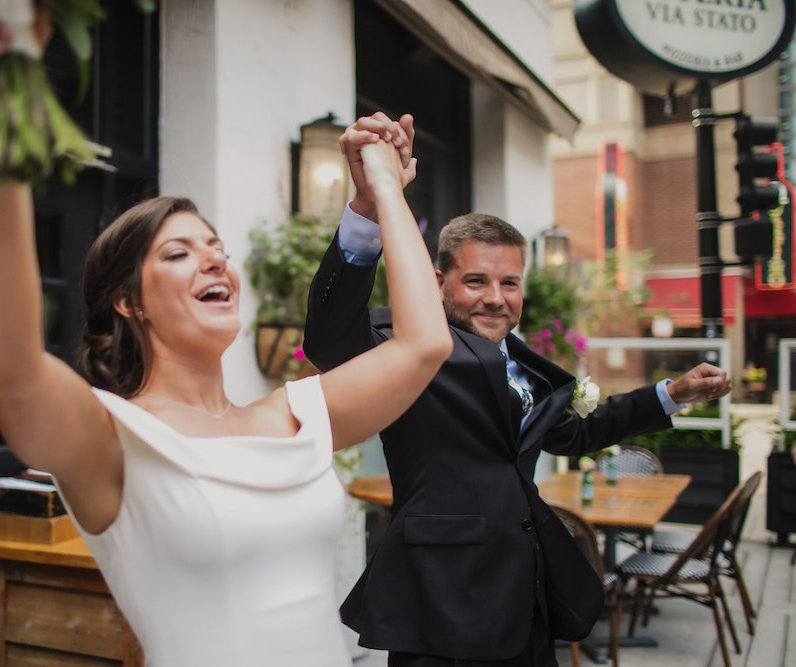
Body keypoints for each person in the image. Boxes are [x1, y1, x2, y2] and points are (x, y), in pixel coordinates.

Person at [0, 27, 452, 660]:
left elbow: (423, 344)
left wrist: (383, 192)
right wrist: (3, 101)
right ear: (128, 301)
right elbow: (9, 368)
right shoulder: (110, 436)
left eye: (217, 248)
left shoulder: (295, 415)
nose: (215, 262)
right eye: (179, 253)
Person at [303, 114, 732, 666]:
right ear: (437, 284)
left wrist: (672, 393)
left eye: (509, 283)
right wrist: (367, 208)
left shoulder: (527, 365)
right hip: (442, 601)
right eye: (476, 281)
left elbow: (576, 433)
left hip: (525, 594)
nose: (496, 298)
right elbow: (330, 339)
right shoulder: (405, 345)